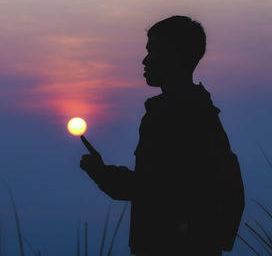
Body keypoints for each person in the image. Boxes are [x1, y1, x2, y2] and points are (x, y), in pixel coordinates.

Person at [79, 16, 245, 256]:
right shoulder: (199, 110)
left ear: (174, 55)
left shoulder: (177, 114)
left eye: (152, 50)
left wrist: (101, 173)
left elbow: (154, 188)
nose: (145, 59)